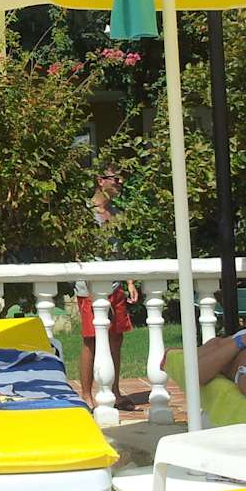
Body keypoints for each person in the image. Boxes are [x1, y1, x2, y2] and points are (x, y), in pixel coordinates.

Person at [76, 168, 138, 409]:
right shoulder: (84, 213)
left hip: (115, 285)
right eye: (115, 179)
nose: (120, 183)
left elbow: (120, 252)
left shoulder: (116, 213)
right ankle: (86, 395)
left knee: (116, 337)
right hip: (89, 286)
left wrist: (129, 281)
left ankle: (115, 391)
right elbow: (77, 251)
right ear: (100, 181)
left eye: (121, 179)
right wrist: (88, 287)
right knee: (91, 340)